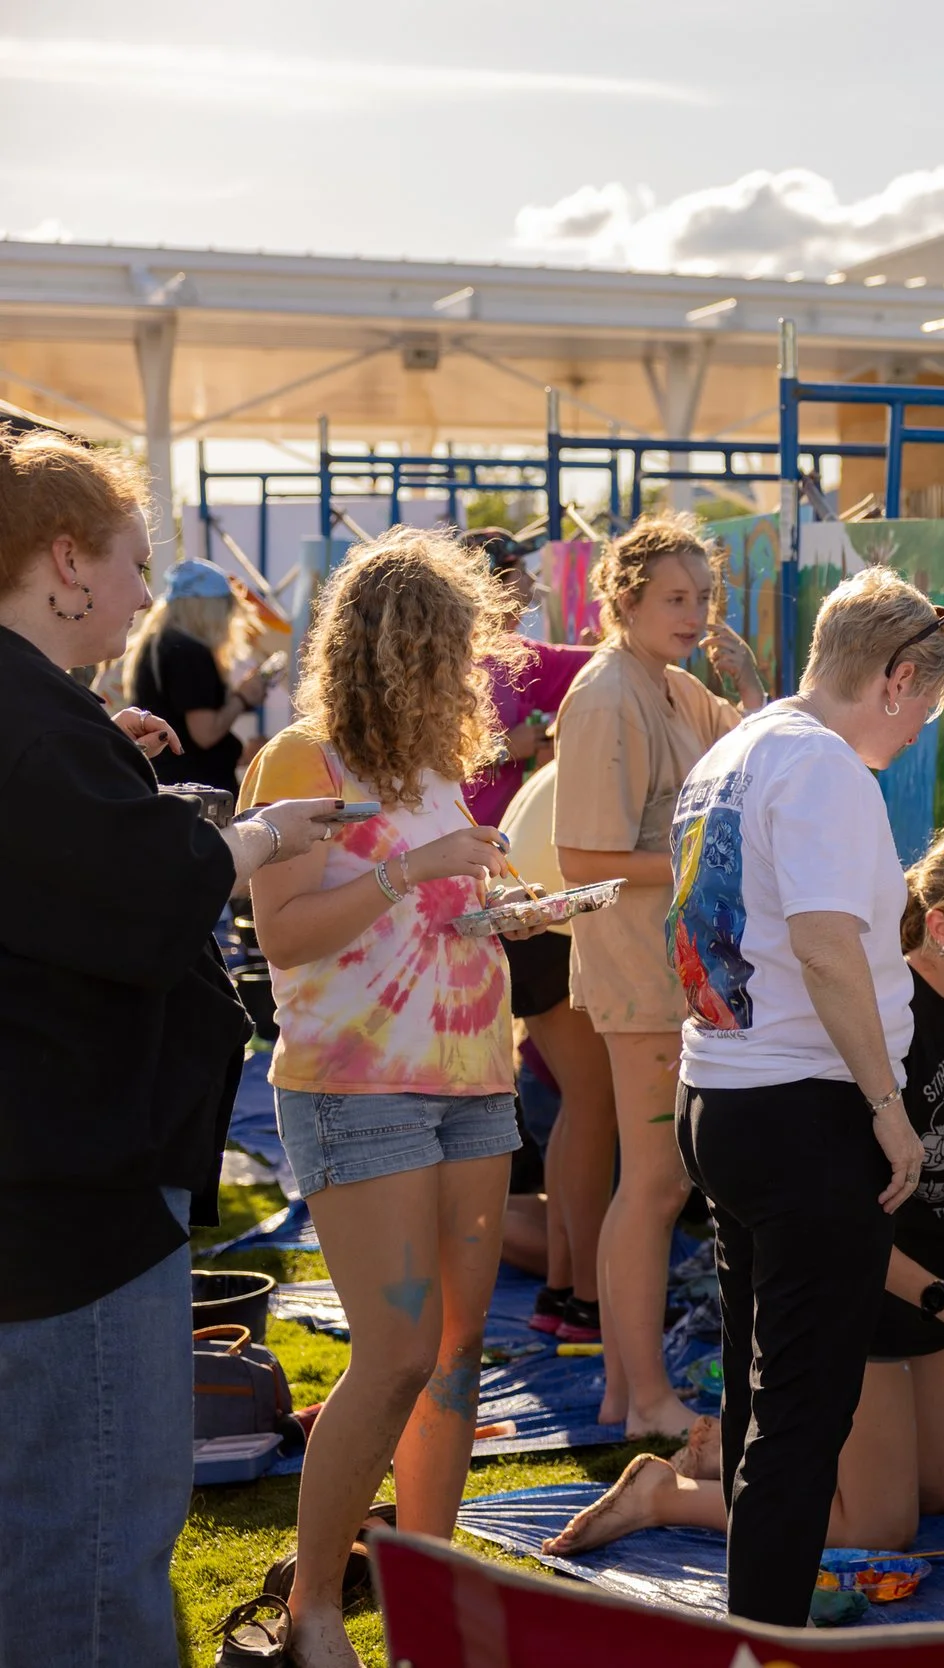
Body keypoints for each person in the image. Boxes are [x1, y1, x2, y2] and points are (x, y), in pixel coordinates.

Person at [0, 429, 341, 1668]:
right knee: (89, 1542)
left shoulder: (42, 715)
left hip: (59, 1188)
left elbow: (66, 868)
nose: (147, 596)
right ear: (66, 565)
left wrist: (114, 766)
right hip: (73, 1205)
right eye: (135, 564)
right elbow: (132, 901)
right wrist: (249, 843)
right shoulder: (28, 725)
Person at [538, 815, 944, 1559]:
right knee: (879, 1528)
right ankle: (667, 1493)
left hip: (939, 1283)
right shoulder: (887, 1017)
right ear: (941, 926)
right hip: (864, 1293)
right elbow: (841, 1212)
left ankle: (730, 1457)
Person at [240, 528, 549, 1668]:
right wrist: (409, 871)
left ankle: (430, 1592)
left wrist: (513, 915)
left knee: (459, 1351)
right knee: (398, 1354)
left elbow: (431, 921)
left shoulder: (428, 771)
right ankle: (314, 1606)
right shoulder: (301, 764)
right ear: (393, 653)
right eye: (451, 653)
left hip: (472, 1081)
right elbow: (281, 935)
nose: (469, 677)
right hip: (355, 1089)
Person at [662, 565, 944, 1624]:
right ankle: (765, 1639)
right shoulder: (823, 766)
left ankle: (753, 1616)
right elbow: (831, 951)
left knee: (759, 1396)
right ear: (895, 676)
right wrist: (887, 1109)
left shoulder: (740, 747)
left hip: (728, 1094)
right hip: (800, 1106)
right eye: (924, 704)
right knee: (799, 1418)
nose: (919, 730)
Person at [553, 510, 765, 1436]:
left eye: (704, 596)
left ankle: (626, 1388)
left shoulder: (673, 688)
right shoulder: (609, 696)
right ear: (624, 599)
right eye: (676, 597)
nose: (694, 611)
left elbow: (759, 759)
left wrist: (752, 683)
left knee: (661, 1181)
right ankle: (641, 1397)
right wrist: (701, 856)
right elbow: (581, 854)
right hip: (638, 965)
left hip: (672, 962)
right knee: (653, 1183)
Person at [459, 528, 612, 1344]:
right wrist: (518, 747)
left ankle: (566, 1288)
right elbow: (609, 669)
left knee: (544, 1099)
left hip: (510, 887)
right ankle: (576, 1292)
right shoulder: (473, 662)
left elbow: (600, 669)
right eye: (516, 585)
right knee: (579, 1104)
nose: (524, 602)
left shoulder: (502, 659)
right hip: (509, 890)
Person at [124, 556, 267, 793]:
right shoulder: (189, 652)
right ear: (208, 609)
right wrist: (241, 698)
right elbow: (205, 734)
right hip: (197, 792)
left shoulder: (158, 644)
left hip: (167, 783)